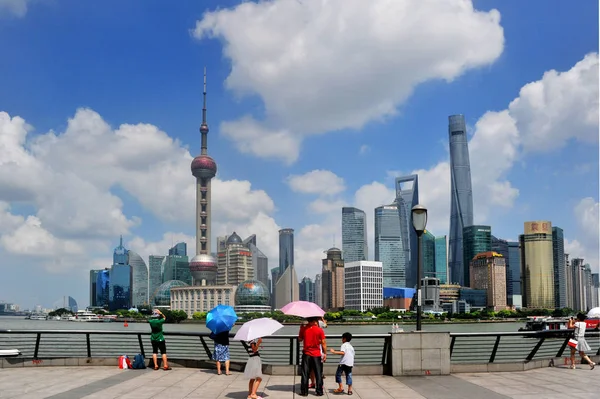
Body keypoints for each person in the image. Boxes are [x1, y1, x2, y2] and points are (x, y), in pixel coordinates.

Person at [299, 317, 326, 396]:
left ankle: (304, 392)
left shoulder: (303, 328)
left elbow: (300, 339)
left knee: (305, 373)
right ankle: (319, 391)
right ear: (314, 321)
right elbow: (323, 343)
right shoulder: (319, 330)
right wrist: (325, 353)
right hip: (316, 354)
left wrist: (301, 328)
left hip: (306, 354)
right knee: (318, 373)